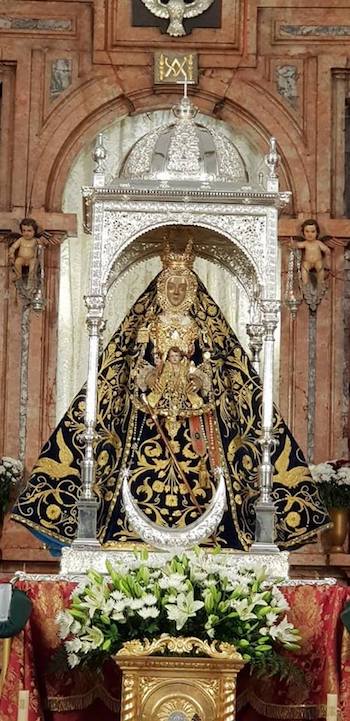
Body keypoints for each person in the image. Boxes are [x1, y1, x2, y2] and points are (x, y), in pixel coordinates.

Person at [11, 240, 329, 555]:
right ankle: (124, 528)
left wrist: (200, 377)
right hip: (150, 406)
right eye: (171, 285)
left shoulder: (199, 325)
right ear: (162, 286)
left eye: (182, 285)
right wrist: (148, 376)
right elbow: (132, 360)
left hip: (194, 407)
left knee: (208, 467)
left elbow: (212, 360)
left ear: (191, 288)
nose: (176, 291)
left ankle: (217, 531)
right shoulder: (149, 324)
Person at [290, 218, 331, 289]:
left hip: (317, 261)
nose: (310, 234)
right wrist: (292, 245)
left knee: (320, 268)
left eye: (313, 231)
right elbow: (297, 245)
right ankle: (305, 285)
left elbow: (326, 250)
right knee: (304, 268)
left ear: (317, 232)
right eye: (307, 231)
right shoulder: (305, 243)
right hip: (307, 262)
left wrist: (327, 258)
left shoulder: (318, 243)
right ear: (303, 233)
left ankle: (320, 284)